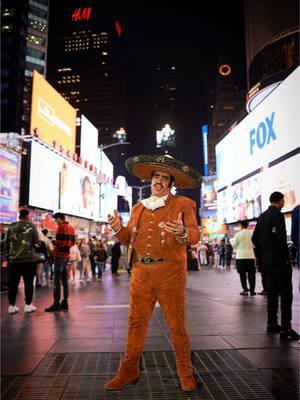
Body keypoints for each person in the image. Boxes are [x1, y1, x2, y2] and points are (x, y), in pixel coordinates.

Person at [104, 154, 201, 392]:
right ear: (150, 179)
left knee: (176, 324)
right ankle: (128, 371)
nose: (158, 180)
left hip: (170, 273)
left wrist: (182, 232)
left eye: (164, 177)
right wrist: (118, 228)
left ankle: (185, 373)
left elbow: (195, 235)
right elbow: (128, 239)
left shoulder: (184, 205)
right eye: (156, 176)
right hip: (141, 273)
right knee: (135, 323)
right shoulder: (138, 207)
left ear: (171, 183)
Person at [252, 191, 299, 340]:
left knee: (272, 293)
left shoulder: (262, 216)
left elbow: (254, 238)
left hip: (267, 262)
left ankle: (272, 324)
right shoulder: (278, 215)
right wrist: (286, 258)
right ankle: (286, 328)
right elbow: (280, 239)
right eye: (283, 201)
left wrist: (262, 255)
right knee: (286, 294)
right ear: (279, 201)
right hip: (279, 261)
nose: (284, 203)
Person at [4, 209, 40, 314]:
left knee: (13, 284)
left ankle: (11, 306)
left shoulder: (11, 226)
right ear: (27, 216)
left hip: (13, 260)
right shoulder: (31, 226)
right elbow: (37, 243)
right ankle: (28, 305)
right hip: (28, 260)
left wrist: (8, 256)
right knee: (28, 283)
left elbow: (6, 243)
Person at [45, 212, 75, 312]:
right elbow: (73, 242)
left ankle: (56, 304)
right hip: (67, 256)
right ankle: (65, 302)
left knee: (56, 280)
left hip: (59, 256)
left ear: (59, 219)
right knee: (65, 280)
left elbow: (59, 243)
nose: (55, 222)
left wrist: (52, 241)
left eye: (55, 219)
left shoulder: (60, 227)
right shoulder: (71, 227)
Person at [233, 220, 256, 296]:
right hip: (250, 256)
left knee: (242, 275)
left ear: (241, 226)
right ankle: (252, 291)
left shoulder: (238, 234)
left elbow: (234, 245)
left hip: (241, 257)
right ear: (247, 225)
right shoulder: (252, 233)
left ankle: (245, 290)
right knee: (251, 274)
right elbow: (255, 244)